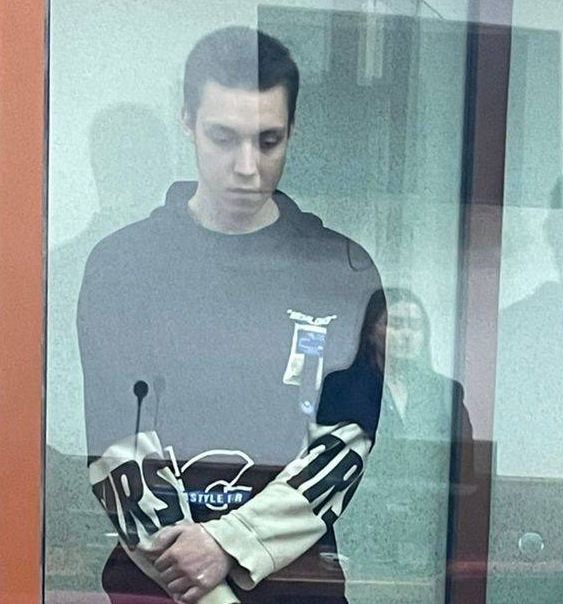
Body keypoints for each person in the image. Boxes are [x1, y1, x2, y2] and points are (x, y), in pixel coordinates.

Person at [78, 27, 383, 604]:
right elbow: (117, 446)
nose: (247, 166)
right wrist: (206, 586)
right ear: (187, 122)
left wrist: (229, 544)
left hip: (296, 586)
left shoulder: (342, 273)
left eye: (268, 141)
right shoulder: (124, 265)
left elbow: (343, 445)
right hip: (159, 588)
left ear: (293, 131)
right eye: (224, 137)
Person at [335, 289, 473, 600]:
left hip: (425, 536)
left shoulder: (445, 392)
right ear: (372, 331)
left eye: (416, 326)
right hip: (360, 532)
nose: (407, 335)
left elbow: (464, 468)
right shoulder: (342, 386)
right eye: (396, 324)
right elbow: (326, 467)